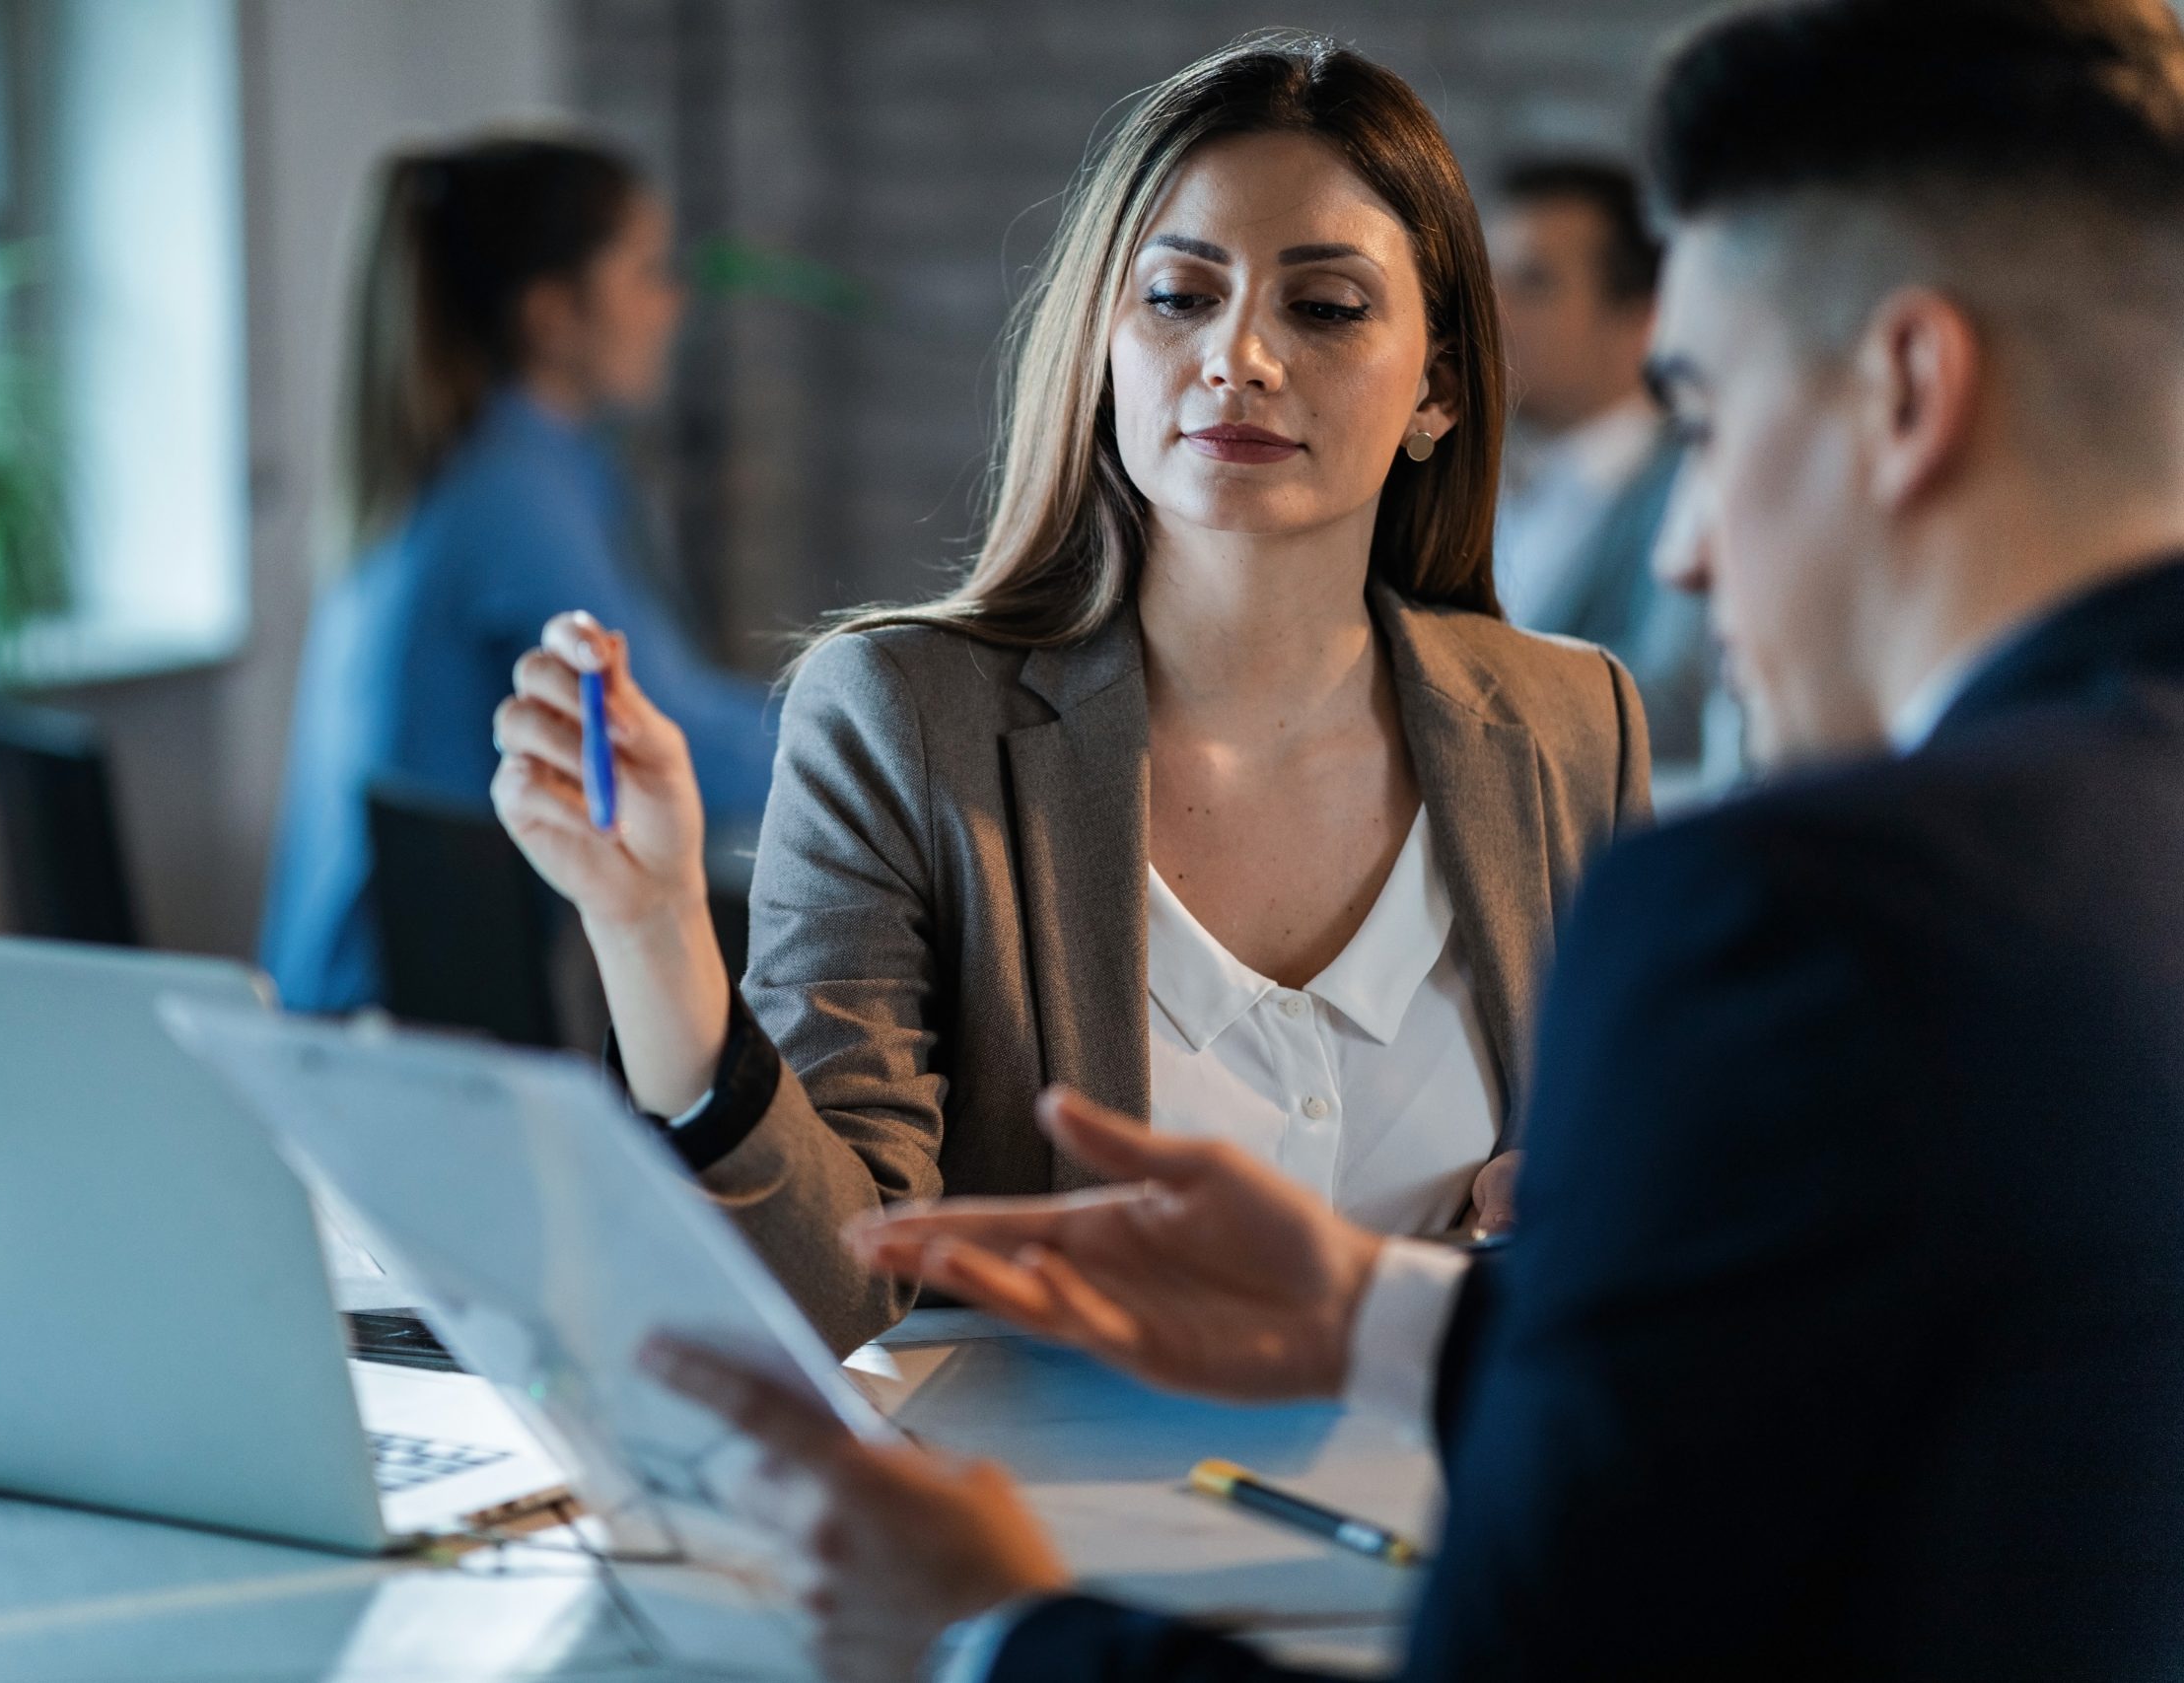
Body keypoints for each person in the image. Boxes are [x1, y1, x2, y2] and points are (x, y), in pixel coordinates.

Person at [637, 0, 2184, 1677]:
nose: (1682, 551)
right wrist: (1388, 1311)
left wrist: (984, 1631)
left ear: (1907, 388)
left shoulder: (1754, 883)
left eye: (1709, 414)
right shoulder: (909, 707)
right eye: (1179, 295)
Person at [493, 38, 1653, 1355]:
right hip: (1044, 1534)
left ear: (1438, 385)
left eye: (1324, 307)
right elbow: (827, 1289)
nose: (1241, 357)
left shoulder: (1573, 726)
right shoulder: (899, 718)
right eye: (1176, 295)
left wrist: (1613, 1198)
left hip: (1460, 1530)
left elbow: (1650, 1204)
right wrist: (652, 934)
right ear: (1103, 344)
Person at [262, 133, 776, 1014]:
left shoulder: (464, 464)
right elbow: (668, 732)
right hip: (397, 1031)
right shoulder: (514, 495)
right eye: (647, 270)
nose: (674, 301)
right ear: (552, 315)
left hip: (342, 993)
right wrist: (887, 755)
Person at [1492, 158, 1714, 772]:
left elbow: (1675, 707)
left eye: (1532, 283)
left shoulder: (1695, 482)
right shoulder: (1463, 477)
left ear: (1641, 318)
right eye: (1491, 278)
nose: (1491, 310)